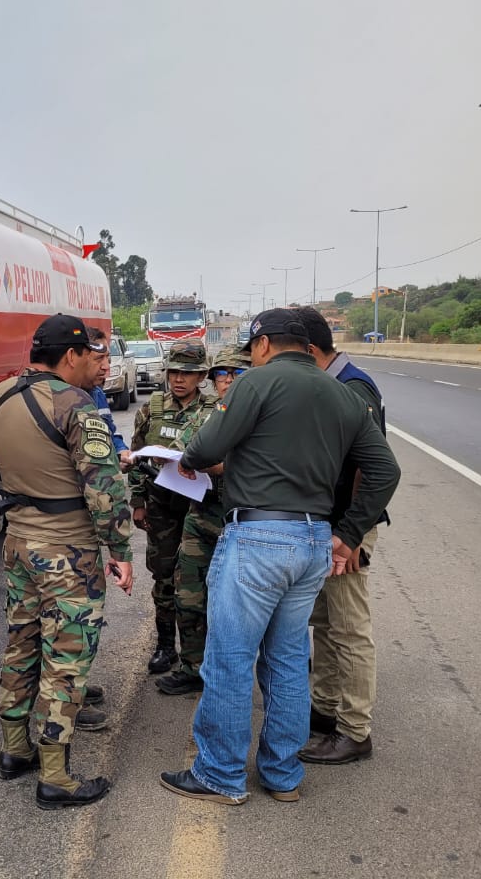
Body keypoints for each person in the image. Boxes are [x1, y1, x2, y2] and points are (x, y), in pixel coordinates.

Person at [160, 309, 400, 805]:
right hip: (314, 542)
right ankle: (283, 774)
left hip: (258, 540)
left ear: (264, 344)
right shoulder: (343, 393)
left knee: (230, 659)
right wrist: (349, 532)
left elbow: (205, 449)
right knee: (289, 660)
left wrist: (183, 460)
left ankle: (220, 775)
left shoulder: (257, 382)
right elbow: (385, 471)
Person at [0, 314, 135, 810]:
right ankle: (55, 777)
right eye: (91, 355)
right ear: (70, 355)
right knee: (67, 657)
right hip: (68, 550)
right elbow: (104, 490)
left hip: (19, 543)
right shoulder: (75, 406)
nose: (96, 365)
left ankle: (14, 750)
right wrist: (121, 551)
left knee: (21, 643)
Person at [295, 306, 386, 764]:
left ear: (310, 350)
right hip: (329, 526)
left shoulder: (352, 387)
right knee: (325, 623)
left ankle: (355, 730)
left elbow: (372, 470)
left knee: (350, 628)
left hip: (348, 530)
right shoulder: (332, 383)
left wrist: (352, 534)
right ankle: (326, 710)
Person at [154, 345, 251, 696]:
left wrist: (225, 466)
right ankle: (193, 666)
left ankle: (235, 671)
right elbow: (181, 448)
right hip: (202, 515)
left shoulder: (265, 415)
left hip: (245, 521)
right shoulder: (209, 415)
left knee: (240, 604)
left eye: (235, 375)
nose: (226, 383)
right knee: (189, 595)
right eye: (220, 376)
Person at [128, 338, 213, 673]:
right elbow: (137, 456)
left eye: (187, 373)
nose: (179, 379)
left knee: (196, 582)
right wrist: (137, 501)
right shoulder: (153, 408)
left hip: (199, 509)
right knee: (163, 578)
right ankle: (166, 647)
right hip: (161, 507)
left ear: (201, 376)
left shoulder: (212, 411)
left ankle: (198, 651)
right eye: (174, 372)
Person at [86, 326, 131, 466]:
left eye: (108, 359)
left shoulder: (97, 393)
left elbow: (108, 431)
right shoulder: (61, 397)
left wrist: (121, 451)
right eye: (99, 359)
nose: (106, 367)